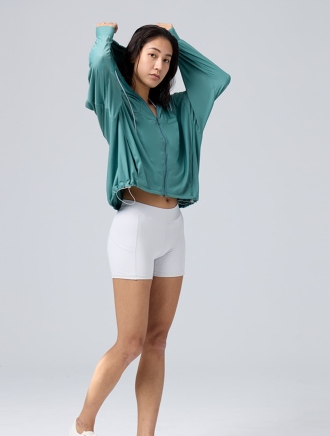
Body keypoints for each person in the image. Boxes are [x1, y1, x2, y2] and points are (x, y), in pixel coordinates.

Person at [70, 22, 231, 436]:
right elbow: (99, 63)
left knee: (157, 341)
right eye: (152, 55)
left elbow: (216, 78)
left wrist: (176, 38)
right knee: (130, 343)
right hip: (136, 226)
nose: (160, 65)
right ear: (135, 57)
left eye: (167, 60)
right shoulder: (119, 106)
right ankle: (84, 423)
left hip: (173, 228)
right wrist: (105, 36)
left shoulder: (180, 111)